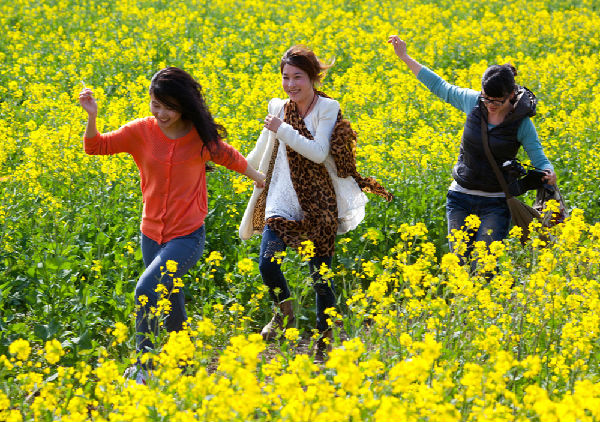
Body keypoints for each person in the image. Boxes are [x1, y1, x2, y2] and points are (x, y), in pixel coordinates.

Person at [79, 67, 265, 383]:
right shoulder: (141, 131)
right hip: (150, 235)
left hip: (187, 237)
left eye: (170, 107)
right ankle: (184, 359)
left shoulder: (199, 137)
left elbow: (230, 157)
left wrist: (261, 180)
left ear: (184, 106)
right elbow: (96, 146)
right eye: (156, 104)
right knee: (170, 297)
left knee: (146, 289)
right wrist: (92, 115)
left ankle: (145, 369)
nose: (162, 113)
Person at [239, 45, 392, 361]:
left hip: (319, 201)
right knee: (268, 263)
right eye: (285, 77)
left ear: (313, 78)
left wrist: (282, 129)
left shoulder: (328, 107)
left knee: (321, 276)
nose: (291, 84)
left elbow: (319, 152)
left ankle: (325, 340)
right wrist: (237, 164)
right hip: (282, 196)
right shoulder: (279, 106)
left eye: (298, 77)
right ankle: (284, 310)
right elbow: (261, 148)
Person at [388, 36, 557, 261]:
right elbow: (441, 87)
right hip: (460, 196)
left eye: (497, 101)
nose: (490, 106)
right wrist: (404, 56)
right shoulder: (473, 101)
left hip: (496, 202)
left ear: (511, 96)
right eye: (486, 99)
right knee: (458, 263)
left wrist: (548, 171)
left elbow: (538, 156)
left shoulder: (522, 123)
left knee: (484, 265)